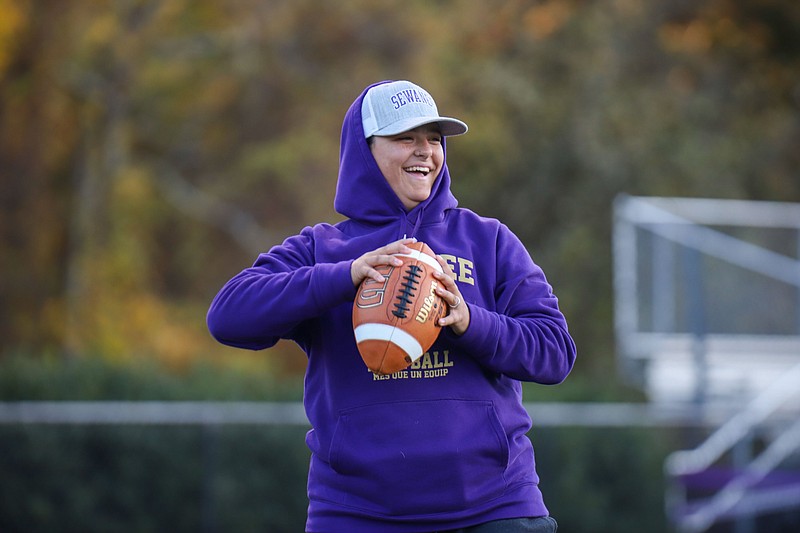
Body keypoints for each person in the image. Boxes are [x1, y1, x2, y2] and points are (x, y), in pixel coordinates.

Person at [207, 80, 576, 533]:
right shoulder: (323, 248)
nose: (425, 152)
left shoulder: (489, 240)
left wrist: (471, 322)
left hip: (494, 508)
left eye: (434, 139)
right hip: (357, 514)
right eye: (406, 138)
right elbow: (227, 316)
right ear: (365, 151)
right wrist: (343, 277)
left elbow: (555, 350)